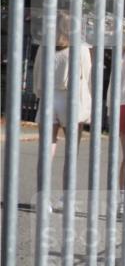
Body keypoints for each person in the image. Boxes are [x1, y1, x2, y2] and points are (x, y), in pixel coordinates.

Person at [33, 17, 92, 164]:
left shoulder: (44, 45)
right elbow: (87, 74)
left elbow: (37, 70)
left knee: (47, 146)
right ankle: (68, 179)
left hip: (49, 96)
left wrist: (38, 92)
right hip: (71, 97)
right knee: (72, 150)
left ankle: (43, 177)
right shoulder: (80, 46)